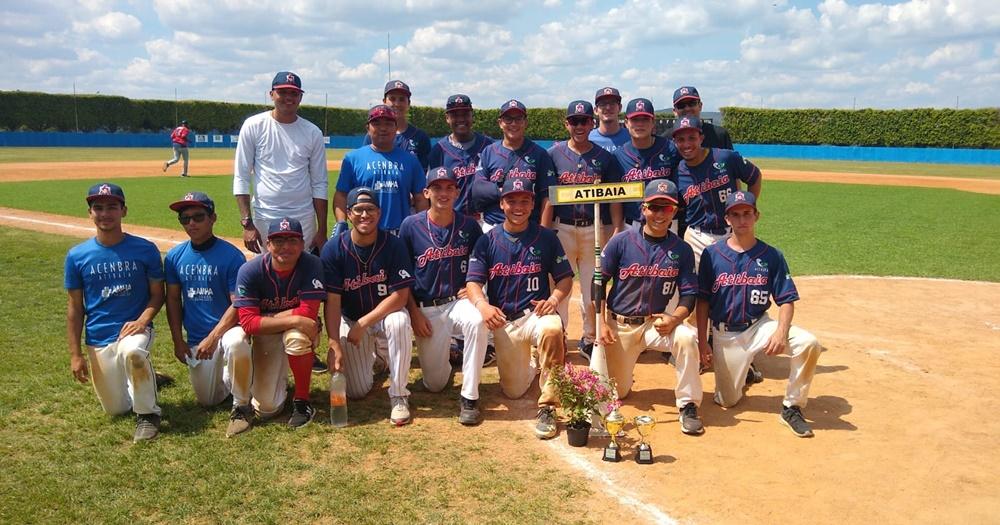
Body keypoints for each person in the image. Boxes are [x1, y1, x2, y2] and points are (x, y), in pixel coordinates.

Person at [696, 191, 822, 437]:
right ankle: (748, 373)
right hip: (725, 333)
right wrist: (703, 342)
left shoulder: (771, 255)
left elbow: (786, 300)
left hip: (758, 326)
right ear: (727, 219)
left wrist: (781, 332)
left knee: (809, 343)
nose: (742, 219)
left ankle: (792, 407)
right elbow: (702, 302)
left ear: (756, 216)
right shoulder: (712, 255)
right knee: (727, 401)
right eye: (736, 214)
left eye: (747, 214)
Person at [233, 70, 329, 373]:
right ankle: (268, 343)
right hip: (265, 218)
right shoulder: (254, 125)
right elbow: (241, 176)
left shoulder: (311, 132)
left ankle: (306, 344)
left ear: (300, 97)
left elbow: (320, 183)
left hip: (303, 217)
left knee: (304, 285)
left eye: (294, 93)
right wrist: (247, 222)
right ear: (271, 94)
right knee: (268, 284)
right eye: (282, 92)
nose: (288, 97)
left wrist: (321, 228)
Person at [466, 178, 574, 439]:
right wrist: (483, 305)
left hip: (537, 315)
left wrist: (555, 299)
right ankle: (537, 362)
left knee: (552, 329)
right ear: (502, 204)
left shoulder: (546, 237)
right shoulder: (488, 240)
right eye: (512, 200)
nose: (518, 206)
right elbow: (473, 282)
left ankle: (548, 406)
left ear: (532, 205)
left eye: (524, 201)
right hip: (506, 322)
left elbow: (565, 278)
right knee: (513, 391)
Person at [598, 179, 704, 435]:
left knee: (687, 337)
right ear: (643, 208)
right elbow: (598, 282)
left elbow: (690, 294)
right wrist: (601, 323)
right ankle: (625, 372)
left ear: (675, 211)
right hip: (619, 325)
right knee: (619, 391)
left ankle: (688, 404)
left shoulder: (681, 249)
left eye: (666, 208)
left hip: (655, 324)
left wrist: (675, 319)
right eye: (654, 207)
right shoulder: (621, 241)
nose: (659, 214)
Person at [65, 182, 168, 443]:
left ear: (124, 210)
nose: (105, 213)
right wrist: (76, 355)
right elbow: (75, 308)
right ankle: (146, 377)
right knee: (117, 409)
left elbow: (158, 294)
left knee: (132, 351)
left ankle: (148, 415)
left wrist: (143, 320)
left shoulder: (145, 249)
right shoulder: (77, 256)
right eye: (98, 208)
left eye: (112, 207)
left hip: (135, 329)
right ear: (90, 213)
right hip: (98, 335)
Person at [399, 167, 489, 425]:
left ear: (457, 192)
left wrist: (473, 286)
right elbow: (402, 277)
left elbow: (482, 263)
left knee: (477, 321)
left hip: (457, 301)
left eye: (449, 187)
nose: (444, 193)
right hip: (426, 309)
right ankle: (448, 357)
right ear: (426, 192)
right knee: (435, 384)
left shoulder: (469, 226)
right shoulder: (411, 225)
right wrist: (414, 313)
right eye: (437, 187)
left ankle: (470, 397)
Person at [321, 187, 416, 426]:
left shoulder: (393, 245)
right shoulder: (333, 249)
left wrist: (365, 323)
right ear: (349, 214)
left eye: (370, 209)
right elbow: (332, 302)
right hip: (351, 319)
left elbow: (401, 296)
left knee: (400, 321)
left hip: (382, 318)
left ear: (379, 213)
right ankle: (381, 360)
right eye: (359, 209)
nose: (365, 215)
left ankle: (399, 395)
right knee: (357, 391)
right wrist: (333, 342)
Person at [162, 192, 254, 437]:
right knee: (208, 401)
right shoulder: (174, 257)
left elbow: (238, 305)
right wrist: (177, 340)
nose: (191, 223)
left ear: (213, 218)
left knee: (237, 341)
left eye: (198, 217)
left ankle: (242, 405)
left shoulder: (231, 255)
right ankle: (234, 375)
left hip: (224, 331)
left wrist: (214, 337)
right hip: (196, 339)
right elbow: (172, 299)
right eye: (185, 218)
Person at [544, 100, 624, 362]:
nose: (579, 126)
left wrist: (617, 227)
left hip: (595, 229)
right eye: (574, 121)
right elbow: (548, 196)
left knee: (593, 288)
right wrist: (544, 232)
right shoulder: (553, 154)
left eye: (584, 121)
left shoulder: (604, 158)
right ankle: (558, 337)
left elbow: (614, 196)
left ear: (592, 123)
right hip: (562, 229)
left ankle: (590, 338)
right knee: (558, 286)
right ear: (567, 124)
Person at [233, 217, 326, 430]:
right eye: (278, 241)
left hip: (295, 330)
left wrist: (265, 317)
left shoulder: (311, 264)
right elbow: (247, 323)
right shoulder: (251, 270)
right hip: (266, 334)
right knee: (267, 409)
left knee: (297, 336)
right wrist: (293, 318)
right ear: (268, 245)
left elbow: (308, 314)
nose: (286, 246)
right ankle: (268, 377)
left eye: (292, 240)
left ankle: (302, 401)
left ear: (303, 244)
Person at [672, 116, 761, 268]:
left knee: (735, 284)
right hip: (696, 237)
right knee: (698, 288)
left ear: (701, 138)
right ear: (675, 142)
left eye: (692, 138)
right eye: (681, 139)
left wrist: (747, 208)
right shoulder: (677, 173)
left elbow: (755, 176)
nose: (686, 144)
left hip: (731, 232)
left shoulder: (726, 157)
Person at [335, 105, 427, 236]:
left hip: (400, 234)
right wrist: (341, 222)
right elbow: (341, 194)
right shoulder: (353, 158)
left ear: (396, 128)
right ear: (368, 128)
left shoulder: (410, 160)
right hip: (363, 233)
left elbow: (420, 197)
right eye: (376, 123)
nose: (383, 128)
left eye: (389, 124)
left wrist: (421, 226)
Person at [613, 98, 681, 230]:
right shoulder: (618, 156)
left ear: (653, 122)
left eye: (645, 119)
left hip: (665, 221)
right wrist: (616, 229)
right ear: (626, 123)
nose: (640, 124)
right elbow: (616, 199)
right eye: (635, 119)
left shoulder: (670, 149)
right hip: (632, 223)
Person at [427, 94, 494, 219]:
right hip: (452, 220)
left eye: (465, 114)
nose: (461, 119)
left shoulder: (489, 146)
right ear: (447, 118)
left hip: (486, 219)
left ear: (472, 116)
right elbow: (432, 191)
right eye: (455, 115)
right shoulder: (438, 151)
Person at [363, 80, 432, 171]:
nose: (397, 104)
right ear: (384, 101)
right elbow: (365, 166)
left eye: (402, 99)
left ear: (408, 103)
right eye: (392, 98)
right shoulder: (373, 135)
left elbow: (424, 171)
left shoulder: (420, 136)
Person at [588, 87, 630, 154]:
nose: (608, 108)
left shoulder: (631, 137)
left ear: (620, 108)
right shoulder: (588, 139)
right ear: (596, 110)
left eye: (612, 103)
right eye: (603, 104)